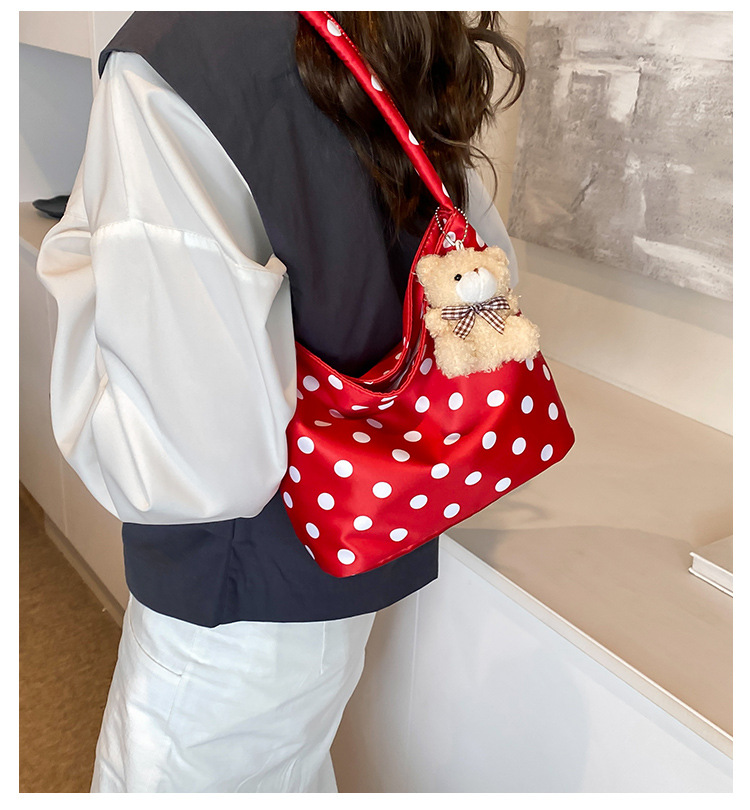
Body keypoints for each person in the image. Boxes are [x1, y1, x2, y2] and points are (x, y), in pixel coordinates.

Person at [35, 11, 525, 793]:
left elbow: (193, 464)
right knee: (287, 770)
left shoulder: (173, 58)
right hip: (368, 531)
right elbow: (477, 257)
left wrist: (78, 258)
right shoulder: (386, 27)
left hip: (233, 588)